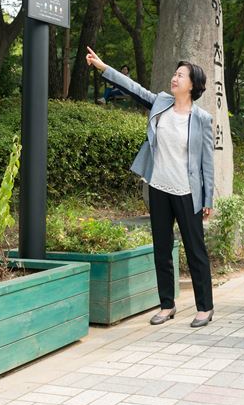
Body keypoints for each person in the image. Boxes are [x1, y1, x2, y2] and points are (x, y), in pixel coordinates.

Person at [86, 46, 215, 327]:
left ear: (193, 85)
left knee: (196, 251)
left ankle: (204, 307)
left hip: (188, 192)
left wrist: (208, 198)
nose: (175, 78)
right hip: (159, 187)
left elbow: (207, 163)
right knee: (162, 248)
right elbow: (133, 88)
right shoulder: (161, 103)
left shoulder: (201, 119)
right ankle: (167, 305)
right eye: (175, 74)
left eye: (181, 76)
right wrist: (103, 67)